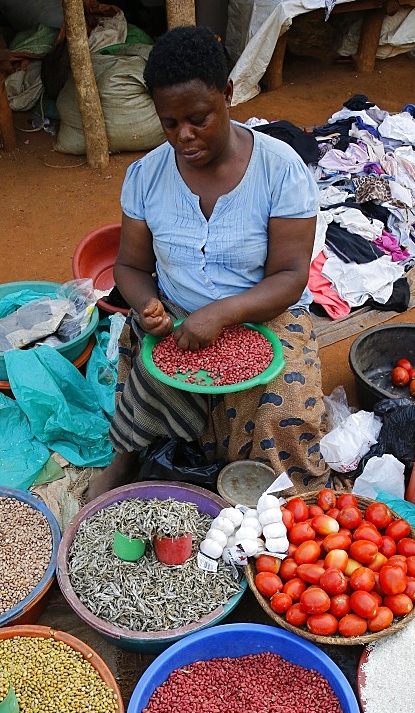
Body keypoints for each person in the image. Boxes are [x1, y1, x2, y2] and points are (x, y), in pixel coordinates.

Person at [90, 25, 328, 497]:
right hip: (178, 315)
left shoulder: (280, 169)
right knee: (154, 378)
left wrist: (222, 313)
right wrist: (148, 306)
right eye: (169, 123)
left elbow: (291, 275)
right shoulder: (145, 175)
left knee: (283, 412)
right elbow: (129, 268)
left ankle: (270, 496)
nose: (184, 135)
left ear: (227, 94)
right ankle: (125, 458)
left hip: (264, 316)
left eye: (198, 117)